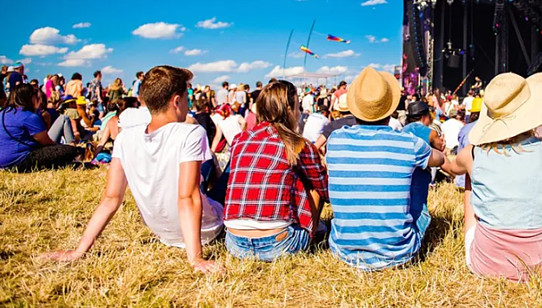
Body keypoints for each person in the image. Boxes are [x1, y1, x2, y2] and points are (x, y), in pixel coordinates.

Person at [43, 66, 223, 273]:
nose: (188, 104)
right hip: (205, 229)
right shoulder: (191, 133)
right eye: (186, 99)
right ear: (176, 101)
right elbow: (188, 197)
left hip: (164, 234)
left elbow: (111, 199)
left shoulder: (126, 137)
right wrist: (196, 259)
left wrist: (78, 251)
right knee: (226, 171)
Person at [446, 72, 542, 281]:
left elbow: (453, 168)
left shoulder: (472, 154)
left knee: (470, 178)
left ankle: (478, 240)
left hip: (485, 263)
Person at [326, 66, 447, 270]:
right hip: (398, 252)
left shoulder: (335, 139)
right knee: (419, 168)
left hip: (344, 250)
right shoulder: (408, 143)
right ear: (390, 109)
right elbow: (440, 159)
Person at [224, 81, 328, 261]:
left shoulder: (240, 139)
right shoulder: (298, 144)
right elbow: (323, 188)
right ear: (290, 109)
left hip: (234, 242)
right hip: (280, 244)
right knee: (312, 183)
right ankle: (313, 231)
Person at [0, 84, 81, 171]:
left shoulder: (2, 113)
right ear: (30, 97)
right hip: (20, 161)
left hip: (2, 162)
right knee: (69, 150)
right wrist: (65, 148)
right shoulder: (29, 116)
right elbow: (46, 142)